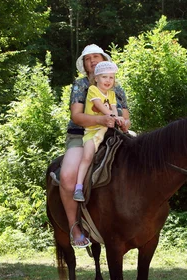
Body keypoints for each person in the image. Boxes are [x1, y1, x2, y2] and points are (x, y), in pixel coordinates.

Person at [59, 44, 131, 248]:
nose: (92, 61)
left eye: (96, 57)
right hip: (82, 135)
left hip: (113, 134)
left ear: (104, 60)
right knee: (67, 176)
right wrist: (101, 120)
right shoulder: (80, 85)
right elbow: (77, 116)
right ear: (84, 64)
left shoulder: (116, 87)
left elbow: (125, 116)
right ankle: (74, 226)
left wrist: (124, 123)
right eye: (87, 58)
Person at [73, 61, 123, 202]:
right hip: (93, 131)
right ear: (96, 78)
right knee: (87, 156)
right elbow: (101, 107)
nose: (108, 81)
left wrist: (119, 119)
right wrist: (113, 116)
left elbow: (113, 109)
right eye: (104, 77)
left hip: (108, 129)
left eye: (111, 78)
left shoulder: (112, 94)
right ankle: (78, 187)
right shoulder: (93, 90)